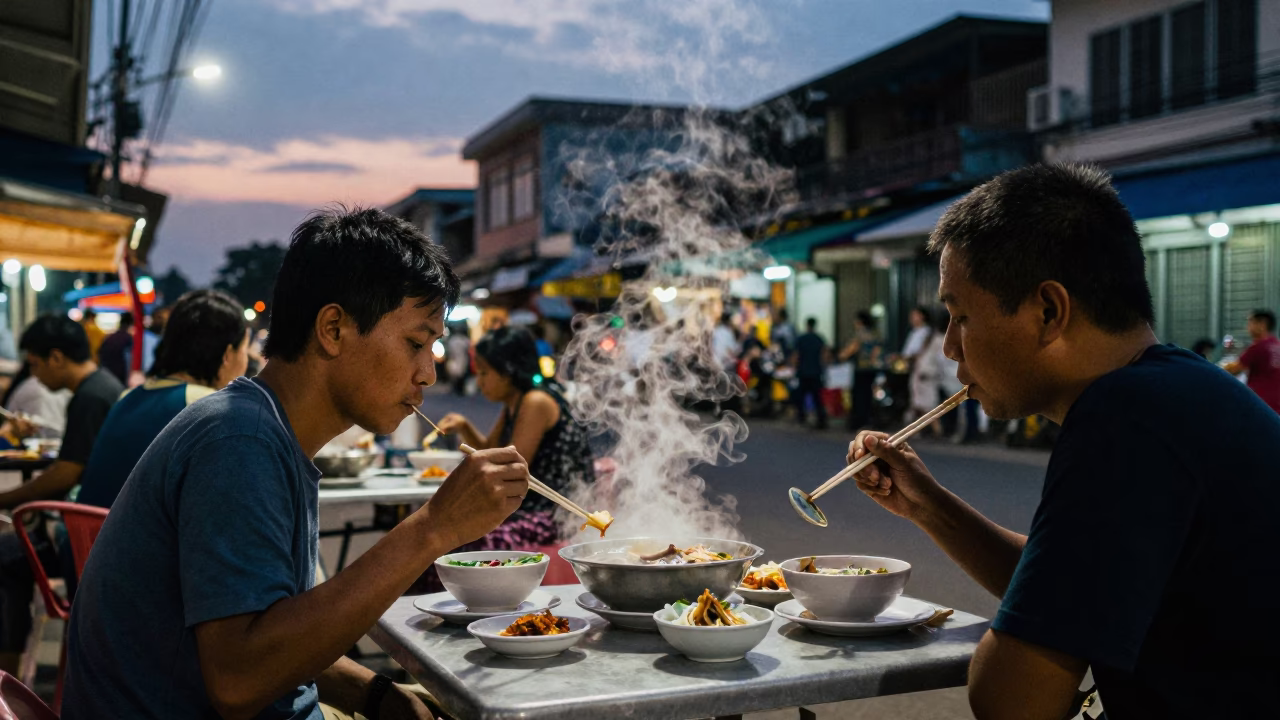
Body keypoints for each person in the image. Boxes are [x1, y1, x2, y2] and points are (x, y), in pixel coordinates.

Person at [846, 164, 1280, 719]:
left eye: (960, 316)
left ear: (1048, 311)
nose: (951, 347)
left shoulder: (1128, 419)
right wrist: (928, 505)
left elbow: (1012, 702)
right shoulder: (1177, 387)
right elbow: (1075, 588)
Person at [64, 208, 528, 719]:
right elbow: (240, 678)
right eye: (416, 342)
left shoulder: (265, 432)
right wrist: (433, 528)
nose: (429, 373)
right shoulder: (239, 442)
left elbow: (275, 631)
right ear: (333, 328)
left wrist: (375, 695)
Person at [0, 315, 123, 674]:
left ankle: (7, 679)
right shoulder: (102, 386)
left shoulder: (91, 396)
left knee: (6, 559)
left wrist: (5, 500)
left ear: (56, 357)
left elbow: (67, 473)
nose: (34, 375)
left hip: (89, 538)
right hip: (95, 527)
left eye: (36, 365)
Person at [433, 326, 595, 587]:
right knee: (448, 532)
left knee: (470, 544)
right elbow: (489, 449)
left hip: (555, 514)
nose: (480, 379)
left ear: (507, 372)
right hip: (530, 508)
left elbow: (510, 468)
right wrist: (464, 425)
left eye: (485, 372)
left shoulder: (536, 401)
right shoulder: (515, 402)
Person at [76, 290, 249, 509]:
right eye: (244, 349)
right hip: (141, 542)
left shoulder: (129, 396)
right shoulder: (208, 407)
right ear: (227, 355)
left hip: (86, 539)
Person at [1224, 309, 1280, 414]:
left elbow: (1235, 369)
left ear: (1262, 324)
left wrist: (1214, 367)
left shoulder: (1258, 347)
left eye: (1251, 322)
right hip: (1276, 405)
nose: (1248, 327)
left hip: (1261, 404)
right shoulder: (1277, 345)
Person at [838, 310, 882, 431]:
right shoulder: (874, 334)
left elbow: (849, 350)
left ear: (859, 322)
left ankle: (858, 422)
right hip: (871, 369)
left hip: (860, 369)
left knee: (858, 396)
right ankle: (869, 420)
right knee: (868, 395)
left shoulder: (859, 335)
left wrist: (841, 356)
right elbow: (877, 352)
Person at [791, 317, 829, 429]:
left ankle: (801, 417)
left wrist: (793, 367)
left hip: (803, 372)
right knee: (817, 397)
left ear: (807, 325)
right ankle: (821, 419)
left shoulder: (801, 338)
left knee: (800, 396)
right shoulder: (819, 339)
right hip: (816, 372)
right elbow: (824, 355)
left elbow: (796, 355)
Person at [97, 311, 133, 384]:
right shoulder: (128, 339)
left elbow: (99, 353)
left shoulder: (109, 337)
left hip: (106, 375)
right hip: (120, 378)